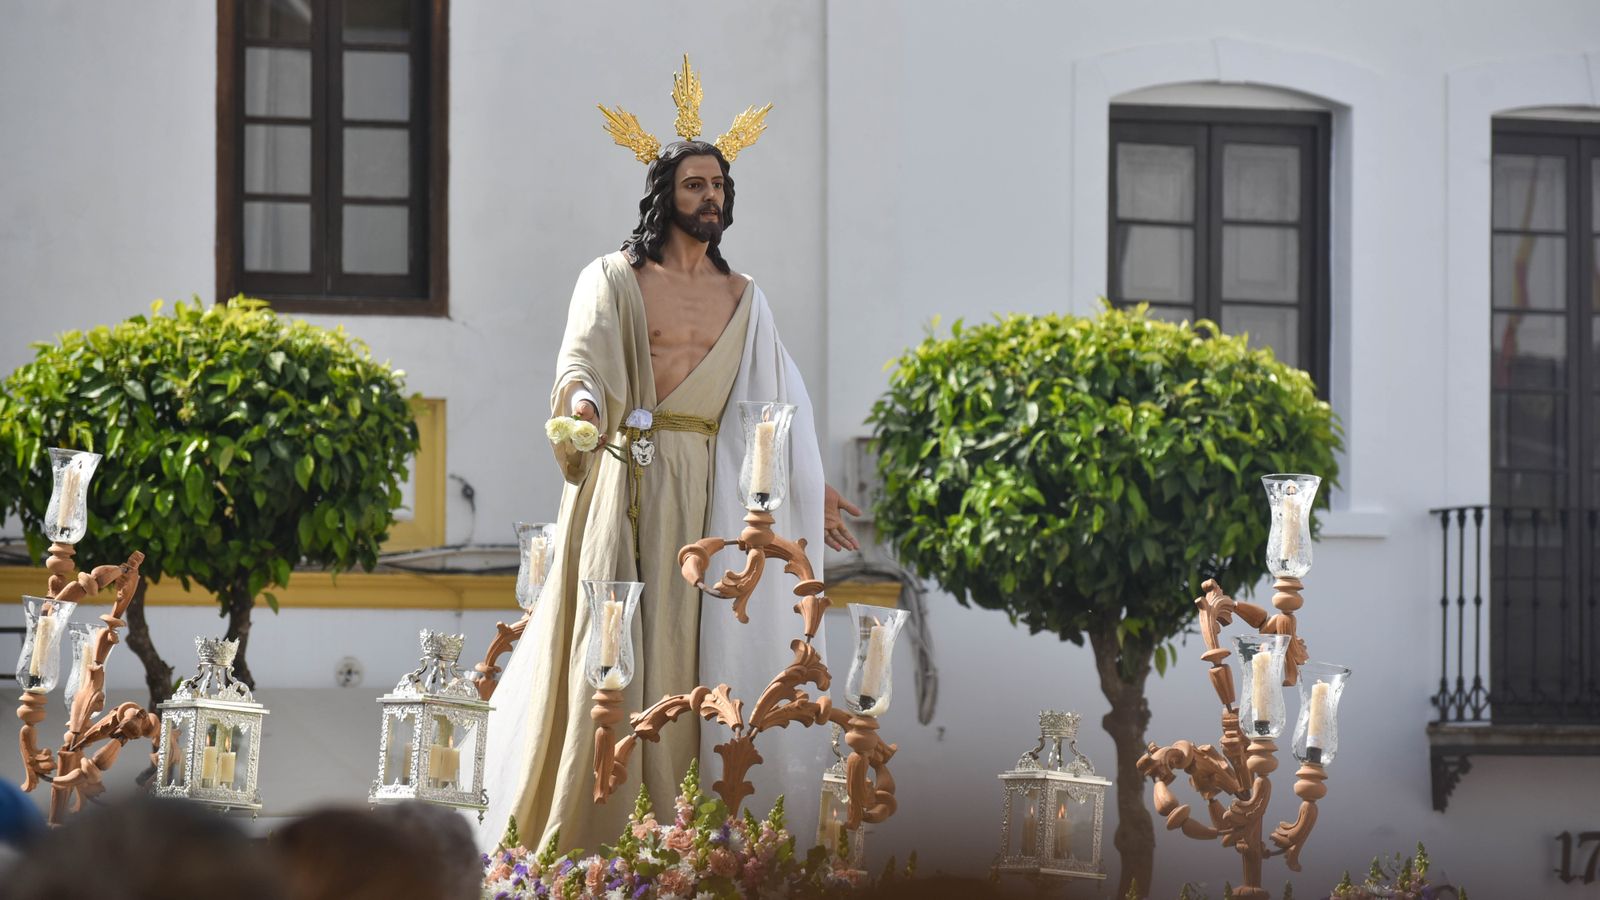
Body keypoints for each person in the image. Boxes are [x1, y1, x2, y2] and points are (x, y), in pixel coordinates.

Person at [479, 68, 861, 856]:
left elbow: (775, 401)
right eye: (695, 185)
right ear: (665, 193)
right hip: (628, 477)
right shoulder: (615, 279)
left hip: (713, 495)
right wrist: (583, 409)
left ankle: (685, 829)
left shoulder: (745, 297)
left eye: (719, 185)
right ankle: (594, 827)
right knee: (609, 643)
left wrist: (808, 486)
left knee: (696, 650)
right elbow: (581, 365)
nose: (711, 198)